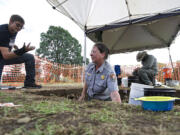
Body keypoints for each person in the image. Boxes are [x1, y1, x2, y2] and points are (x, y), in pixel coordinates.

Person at [0, 14, 41, 88]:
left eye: (21, 27)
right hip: (2, 57)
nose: (19, 28)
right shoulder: (3, 31)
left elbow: (8, 42)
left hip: (3, 56)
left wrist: (14, 46)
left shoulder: (14, 31)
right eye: (17, 25)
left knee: (29, 57)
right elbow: (5, 56)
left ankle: (29, 83)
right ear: (10, 21)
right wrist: (23, 50)